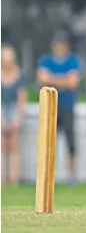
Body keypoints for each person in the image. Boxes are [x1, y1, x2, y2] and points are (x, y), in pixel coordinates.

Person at [36, 34, 81, 185]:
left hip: (67, 105)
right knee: (48, 141)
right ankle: (48, 174)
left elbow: (73, 82)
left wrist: (52, 79)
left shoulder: (72, 60)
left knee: (70, 141)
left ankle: (71, 174)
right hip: (49, 107)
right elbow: (41, 78)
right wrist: (63, 80)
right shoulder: (46, 60)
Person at [1, 44, 27, 186]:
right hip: (2, 110)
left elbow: (22, 99)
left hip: (14, 110)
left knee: (14, 146)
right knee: (2, 146)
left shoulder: (19, 76)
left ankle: (14, 180)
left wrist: (17, 119)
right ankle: (2, 180)